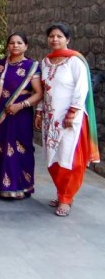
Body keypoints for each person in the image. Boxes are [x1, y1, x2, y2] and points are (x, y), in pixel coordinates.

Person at [35, 23, 100, 217]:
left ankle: (66, 198)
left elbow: (82, 89)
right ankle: (61, 192)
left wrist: (72, 113)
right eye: (51, 36)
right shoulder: (45, 62)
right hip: (50, 118)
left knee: (71, 159)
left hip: (71, 119)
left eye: (59, 36)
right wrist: (39, 111)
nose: (55, 39)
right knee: (53, 158)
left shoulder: (75, 61)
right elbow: (44, 90)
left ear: (67, 39)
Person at [0, 32, 43, 200]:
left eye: (19, 42)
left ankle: (21, 186)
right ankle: (2, 185)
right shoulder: (0, 64)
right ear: (7, 46)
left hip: (21, 114)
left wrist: (21, 105)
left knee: (22, 148)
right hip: (2, 113)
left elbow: (39, 93)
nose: (15, 45)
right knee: (1, 148)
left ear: (26, 46)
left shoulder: (32, 66)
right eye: (12, 42)